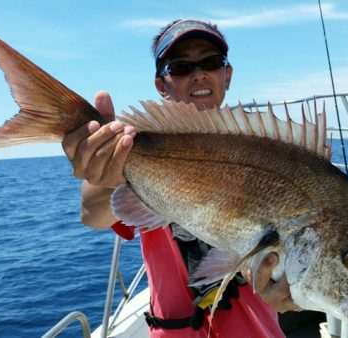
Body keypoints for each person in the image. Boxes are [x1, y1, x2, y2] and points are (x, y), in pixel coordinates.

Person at [62, 19, 297, 337]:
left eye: (210, 62)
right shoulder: (133, 147)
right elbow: (93, 214)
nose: (198, 74)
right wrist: (101, 166)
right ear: (162, 85)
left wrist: (293, 291)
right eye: (182, 66)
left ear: (226, 75)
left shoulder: (267, 154)